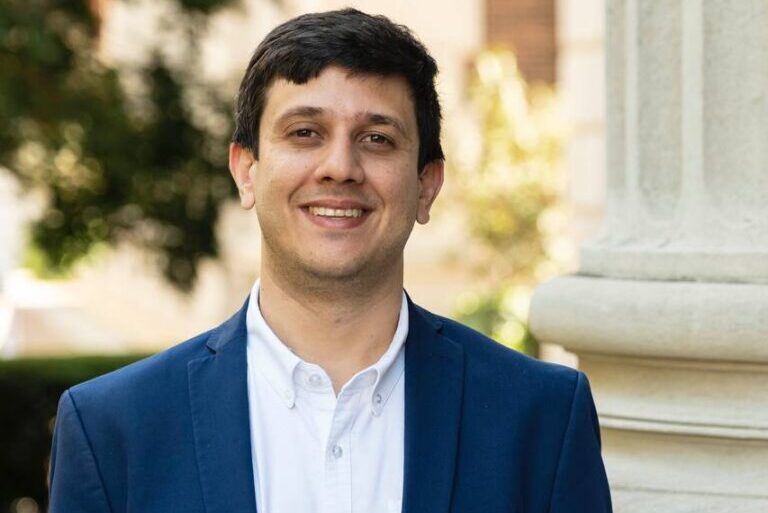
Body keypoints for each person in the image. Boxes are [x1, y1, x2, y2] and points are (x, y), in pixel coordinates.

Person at [48, 8, 611, 513]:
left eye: (377, 138)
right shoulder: (112, 431)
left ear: (426, 186)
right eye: (305, 132)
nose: (339, 166)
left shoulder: (541, 419)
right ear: (246, 170)